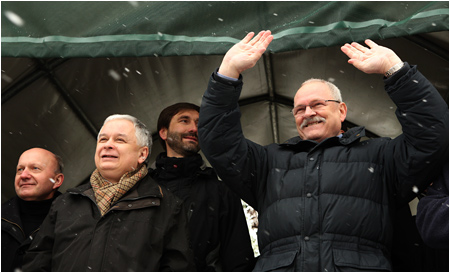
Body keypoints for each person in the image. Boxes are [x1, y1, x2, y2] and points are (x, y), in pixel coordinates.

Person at [198, 30, 448, 271]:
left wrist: (396, 71)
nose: (308, 113)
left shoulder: (380, 156)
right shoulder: (267, 162)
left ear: (341, 111)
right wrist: (227, 74)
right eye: (299, 109)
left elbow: (431, 134)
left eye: (318, 104)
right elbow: (219, 142)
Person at [22, 114, 195, 271]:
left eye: (120, 140)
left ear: (142, 154)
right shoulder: (67, 201)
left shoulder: (166, 205)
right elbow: (37, 262)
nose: (108, 145)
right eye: (103, 139)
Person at [150, 102, 256, 271]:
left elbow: (238, 259)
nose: (193, 128)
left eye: (199, 124)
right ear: (163, 132)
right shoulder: (143, 189)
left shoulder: (222, 192)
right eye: (184, 121)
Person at [2, 148, 64, 272]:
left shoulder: (73, 223)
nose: (24, 175)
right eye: (20, 169)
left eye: (35, 168)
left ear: (57, 181)